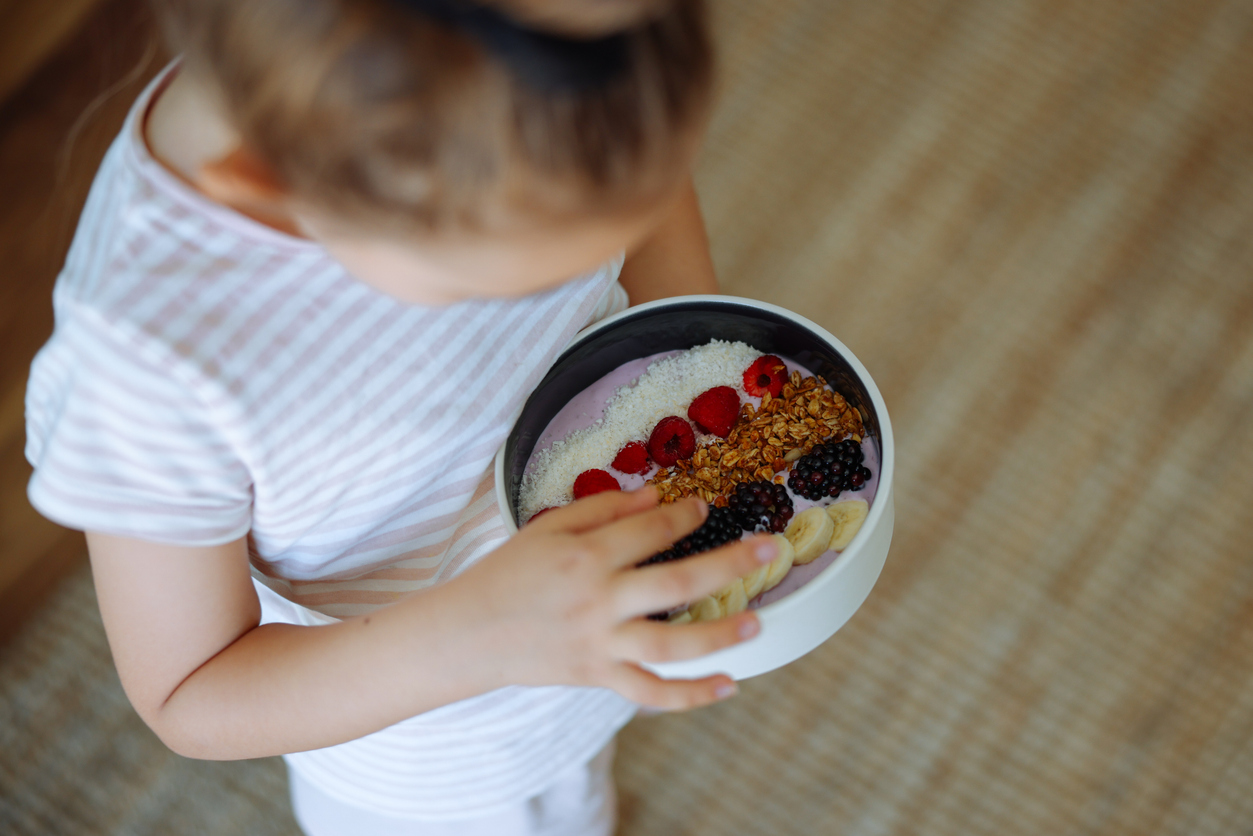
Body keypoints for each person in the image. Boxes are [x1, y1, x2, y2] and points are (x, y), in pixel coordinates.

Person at [24, 0, 779, 833]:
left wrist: (688, 377)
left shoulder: (553, 93)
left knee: (573, 801)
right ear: (274, 179)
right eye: (508, 290)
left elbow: (640, 191)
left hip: (577, 655)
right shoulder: (148, 363)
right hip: (436, 752)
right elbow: (188, 691)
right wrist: (482, 633)